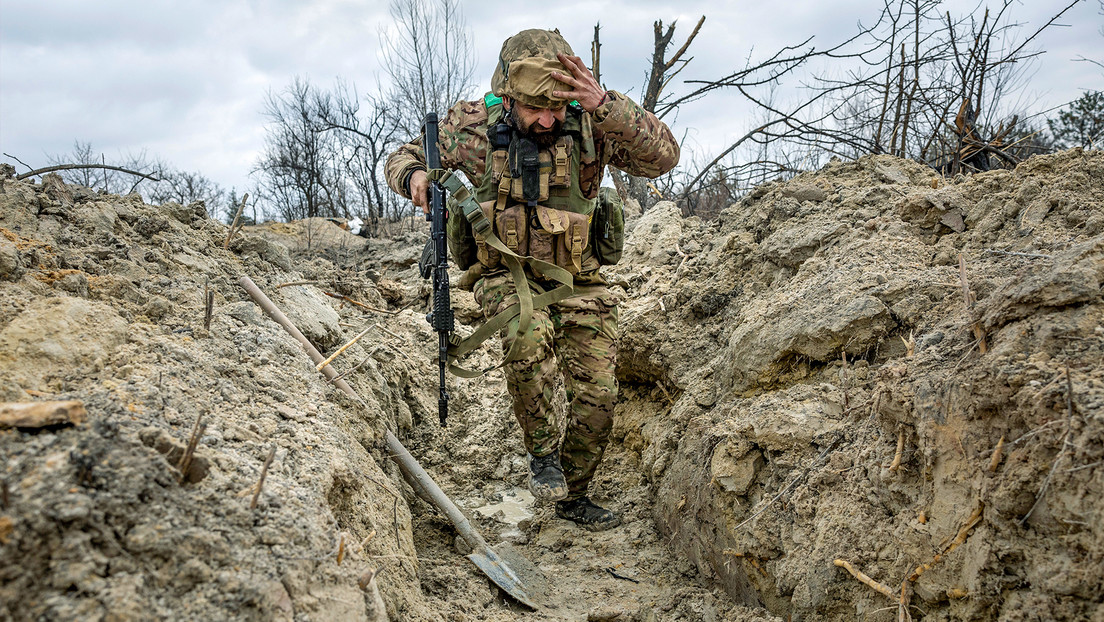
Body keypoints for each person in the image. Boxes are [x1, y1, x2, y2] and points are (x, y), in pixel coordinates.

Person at [385, 28, 679, 531]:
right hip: (504, 273)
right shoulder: (473, 128)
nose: (548, 119)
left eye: (557, 107)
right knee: (528, 331)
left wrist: (606, 104)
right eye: (535, 109)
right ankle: (542, 455)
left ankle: (574, 491)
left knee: (600, 392)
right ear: (509, 96)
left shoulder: (592, 121)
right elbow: (402, 157)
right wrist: (413, 176)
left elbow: (663, 158)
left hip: (578, 281)